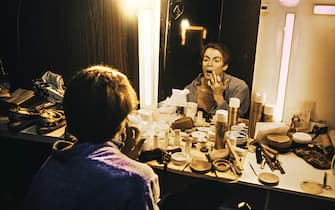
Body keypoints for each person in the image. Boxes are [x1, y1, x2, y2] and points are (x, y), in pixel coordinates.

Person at [23, 65, 160, 210]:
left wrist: (122, 159)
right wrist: (128, 164)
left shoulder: (49, 168)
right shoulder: (137, 179)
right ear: (123, 124)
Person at [185, 42, 250, 118]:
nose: (209, 64)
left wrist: (218, 96)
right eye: (206, 60)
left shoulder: (238, 88)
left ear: (225, 66)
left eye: (216, 61)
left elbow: (234, 121)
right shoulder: (189, 90)